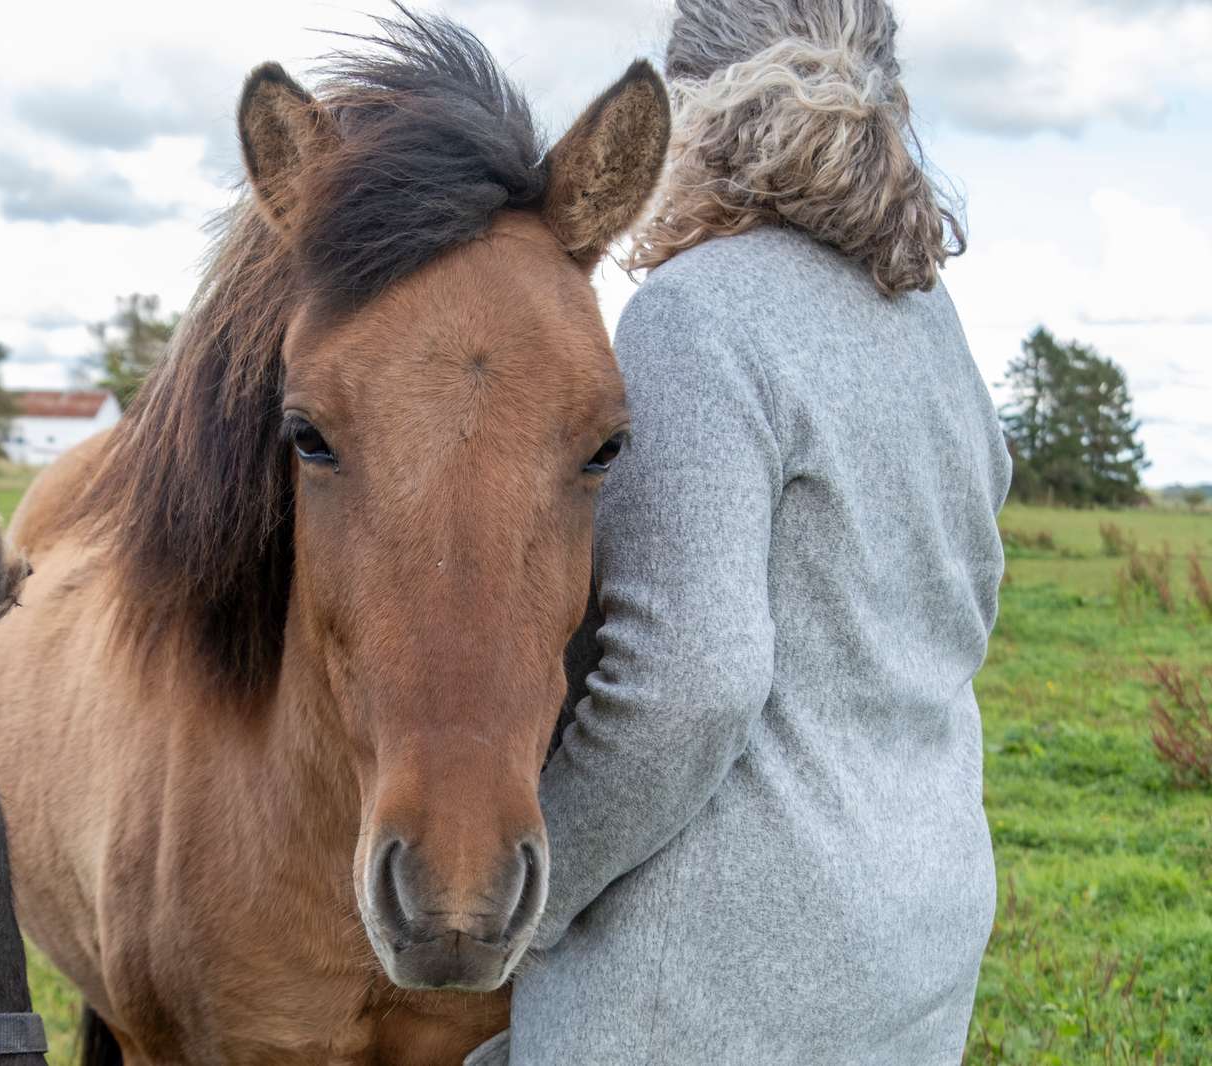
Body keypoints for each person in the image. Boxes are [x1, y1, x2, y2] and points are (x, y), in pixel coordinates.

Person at [466, 1, 1012, 1063]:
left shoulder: (695, 312)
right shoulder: (930, 323)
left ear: (691, 115)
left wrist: (528, 897)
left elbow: (689, 682)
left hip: (711, 969)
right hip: (923, 921)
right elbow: (957, 609)